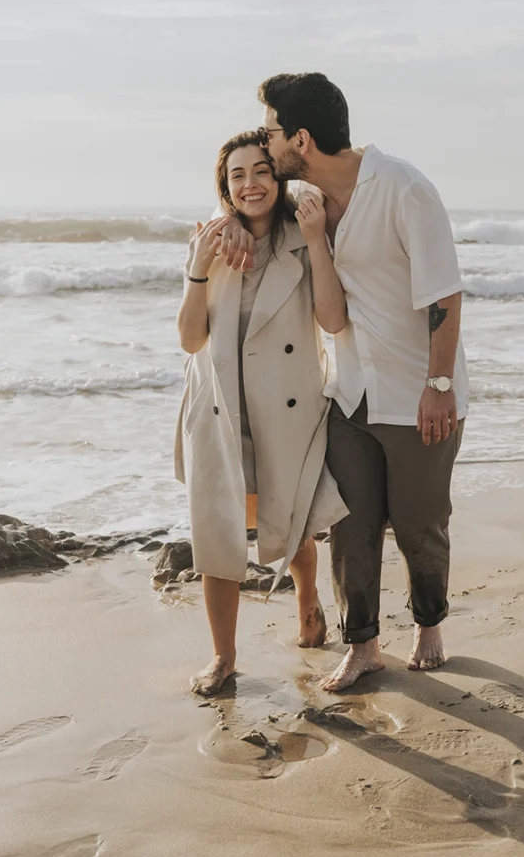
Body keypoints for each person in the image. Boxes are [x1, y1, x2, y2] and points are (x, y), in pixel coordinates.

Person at [222, 73, 469, 692]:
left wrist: (439, 382)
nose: (268, 142)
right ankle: (362, 645)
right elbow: (249, 211)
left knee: (419, 523)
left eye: (275, 132)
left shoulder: (405, 188)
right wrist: (225, 226)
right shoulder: (307, 203)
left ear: (301, 139)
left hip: (420, 393)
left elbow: (444, 292)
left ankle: (429, 624)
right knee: (350, 525)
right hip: (350, 392)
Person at [175, 131, 349, 696]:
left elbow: (331, 321)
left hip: (286, 401)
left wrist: (319, 242)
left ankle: (306, 597)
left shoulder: (304, 233)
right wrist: (199, 269)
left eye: (261, 172)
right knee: (219, 531)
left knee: (287, 515)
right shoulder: (210, 241)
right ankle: (223, 657)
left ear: (278, 178)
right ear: (224, 188)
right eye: (237, 176)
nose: (250, 184)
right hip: (220, 404)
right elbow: (189, 340)